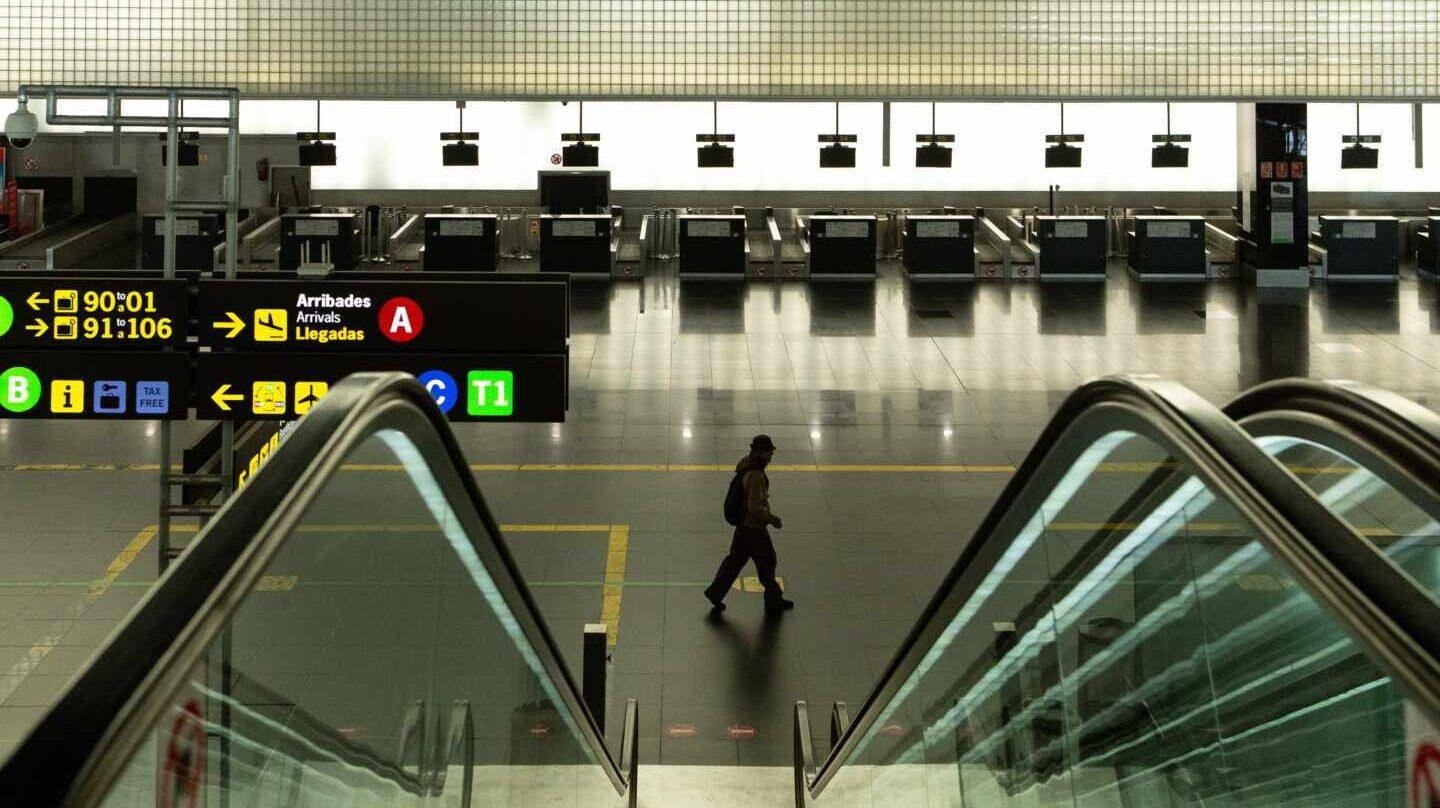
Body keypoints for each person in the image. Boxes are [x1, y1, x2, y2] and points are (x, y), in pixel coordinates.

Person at [704, 435, 795, 613]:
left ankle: (715, 593)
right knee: (768, 561)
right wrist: (771, 518)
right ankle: (773, 599)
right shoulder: (755, 475)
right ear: (761, 453)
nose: (771, 456)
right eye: (769, 452)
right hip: (753, 528)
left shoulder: (747, 464)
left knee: (734, 562)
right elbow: (754, 506)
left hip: (742, 527)